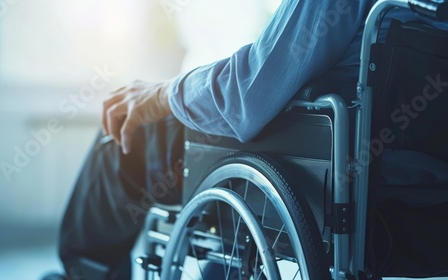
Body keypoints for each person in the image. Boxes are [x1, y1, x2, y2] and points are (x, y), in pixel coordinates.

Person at [44, 0, 434, 279]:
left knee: (124, 128)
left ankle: (81, 273)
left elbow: (248, 94)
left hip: (320, 171)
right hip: (412, 204)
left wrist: (161, 95)